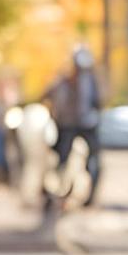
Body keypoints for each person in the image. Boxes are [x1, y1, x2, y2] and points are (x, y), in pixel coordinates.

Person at [43, 46, 104, 205]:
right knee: (62, 158)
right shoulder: (63, 81)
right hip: (67, 124)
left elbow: (98, 102)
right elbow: (47, 95)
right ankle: (57, 192)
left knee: (93, 159)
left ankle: (90, 194)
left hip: (87, 124)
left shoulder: (92, 81)